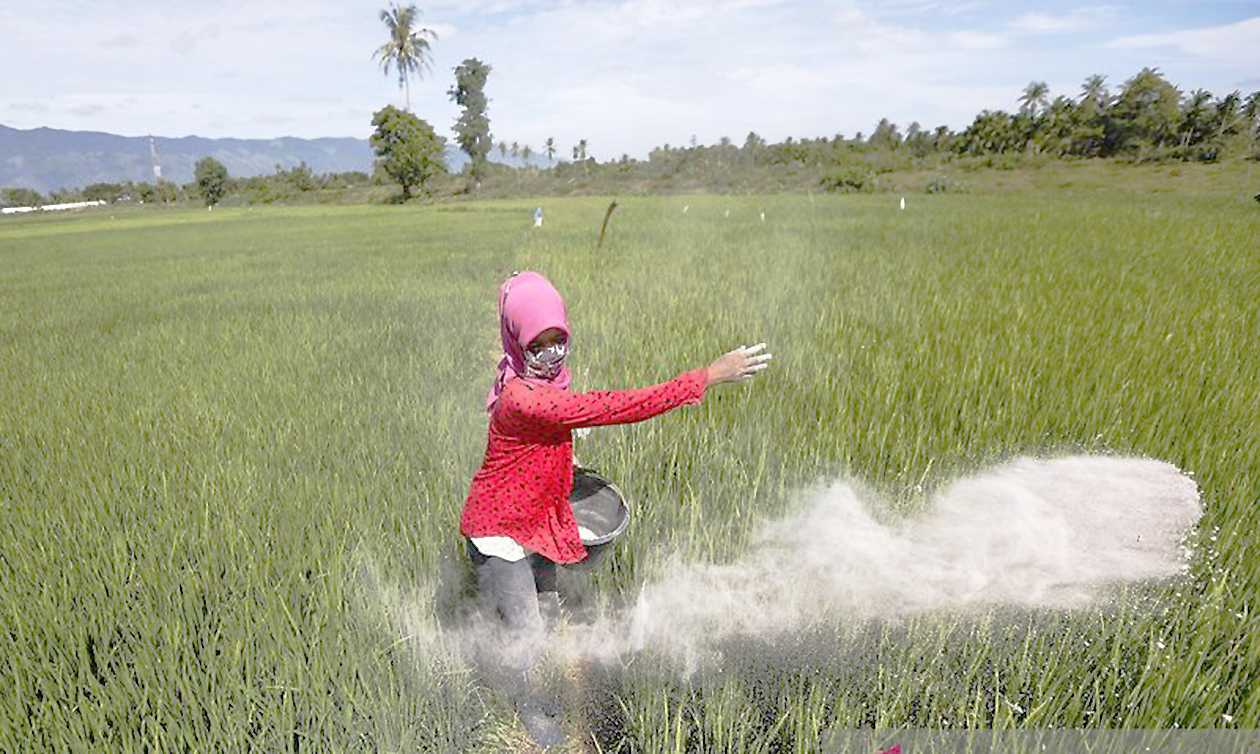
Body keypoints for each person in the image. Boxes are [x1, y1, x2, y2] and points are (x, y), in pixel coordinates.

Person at [459, 270, 771, 745]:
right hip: (500, 530)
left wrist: (563, 457)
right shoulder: (523, 396)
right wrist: (706, 376)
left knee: (545, 607)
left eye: (557, 341)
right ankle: (524, 713)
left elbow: (539, 438)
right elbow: (616, 407)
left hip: (533, 517)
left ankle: (537, 679)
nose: (551, 354)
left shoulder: (533, 379)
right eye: (537, 345)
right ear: (517, 341)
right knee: (524, 631)